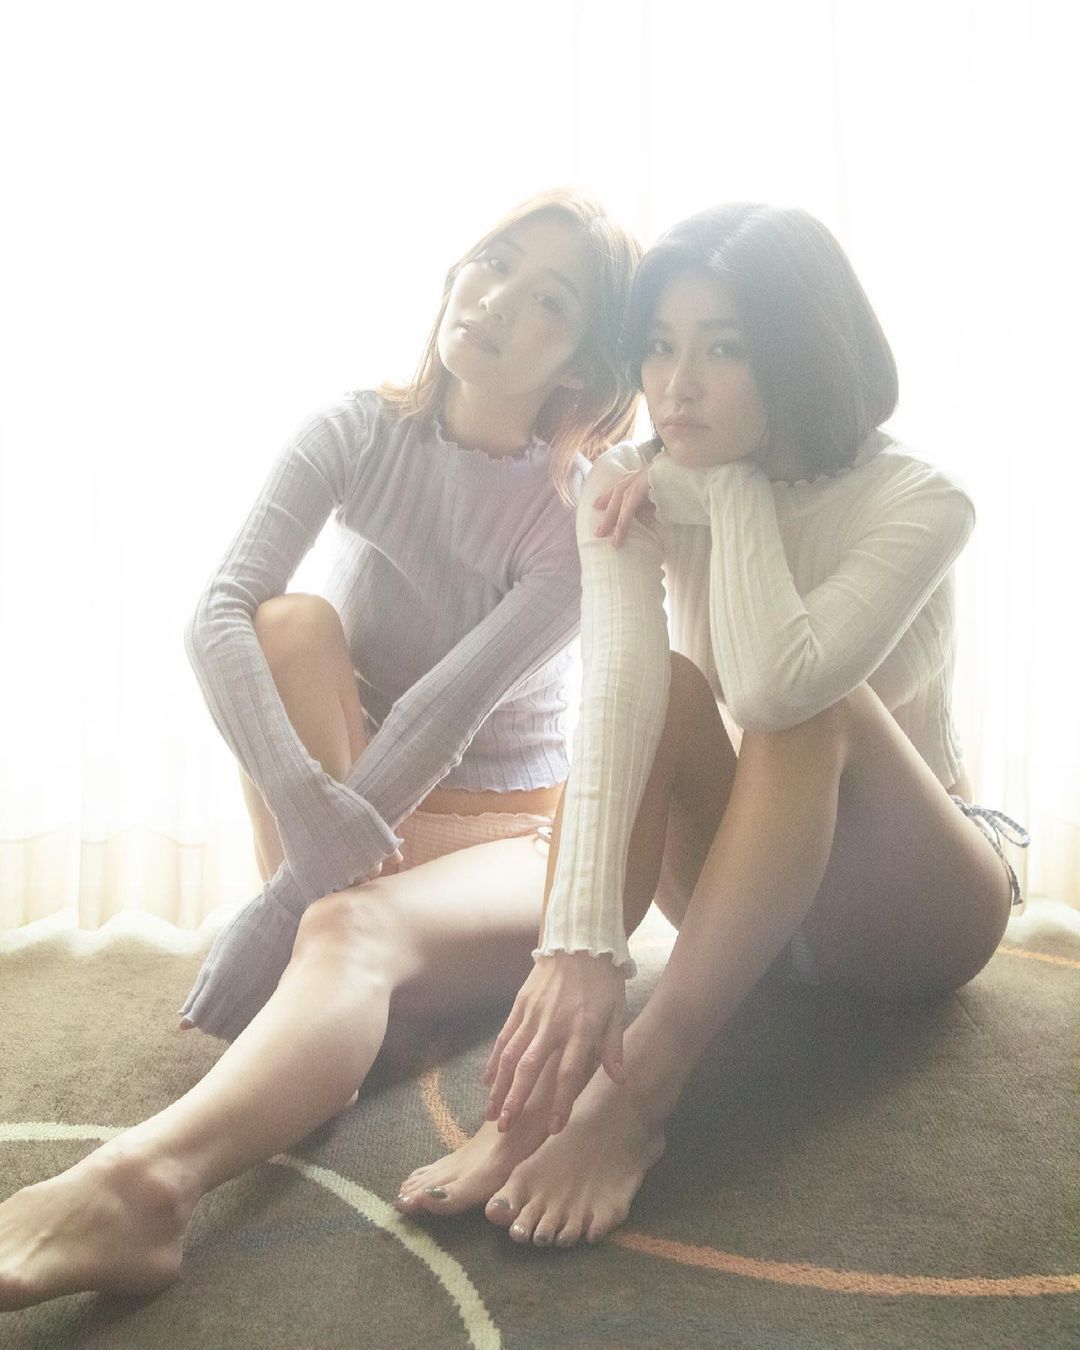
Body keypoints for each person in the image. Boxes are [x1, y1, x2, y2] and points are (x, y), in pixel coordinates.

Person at [0, 190, 639, 1310]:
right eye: (495, 261)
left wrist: (292, 897)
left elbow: (443, 714)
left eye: (548, 300)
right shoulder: (356, 428)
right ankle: (342, 994)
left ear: (581, 366)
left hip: (515, 834)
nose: (497, 300)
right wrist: (305, 829)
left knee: (340, 925)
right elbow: (216, 614)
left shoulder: (571, 511)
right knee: (289, 627)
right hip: (355, 805)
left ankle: (143, 1188)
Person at [396, 202, 1029, 1248]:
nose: (676, 386)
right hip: (751, 901)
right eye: (659, 346)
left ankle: (635, 1095)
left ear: (800, 352)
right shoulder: (623, 484)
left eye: (724, 350)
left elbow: (781, 689)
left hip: (916, 910)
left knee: (814, 704)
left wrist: (729, 494)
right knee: (667, 688)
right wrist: (579, 945)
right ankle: (535, 1106)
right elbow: (620, 695)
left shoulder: (920, 499)